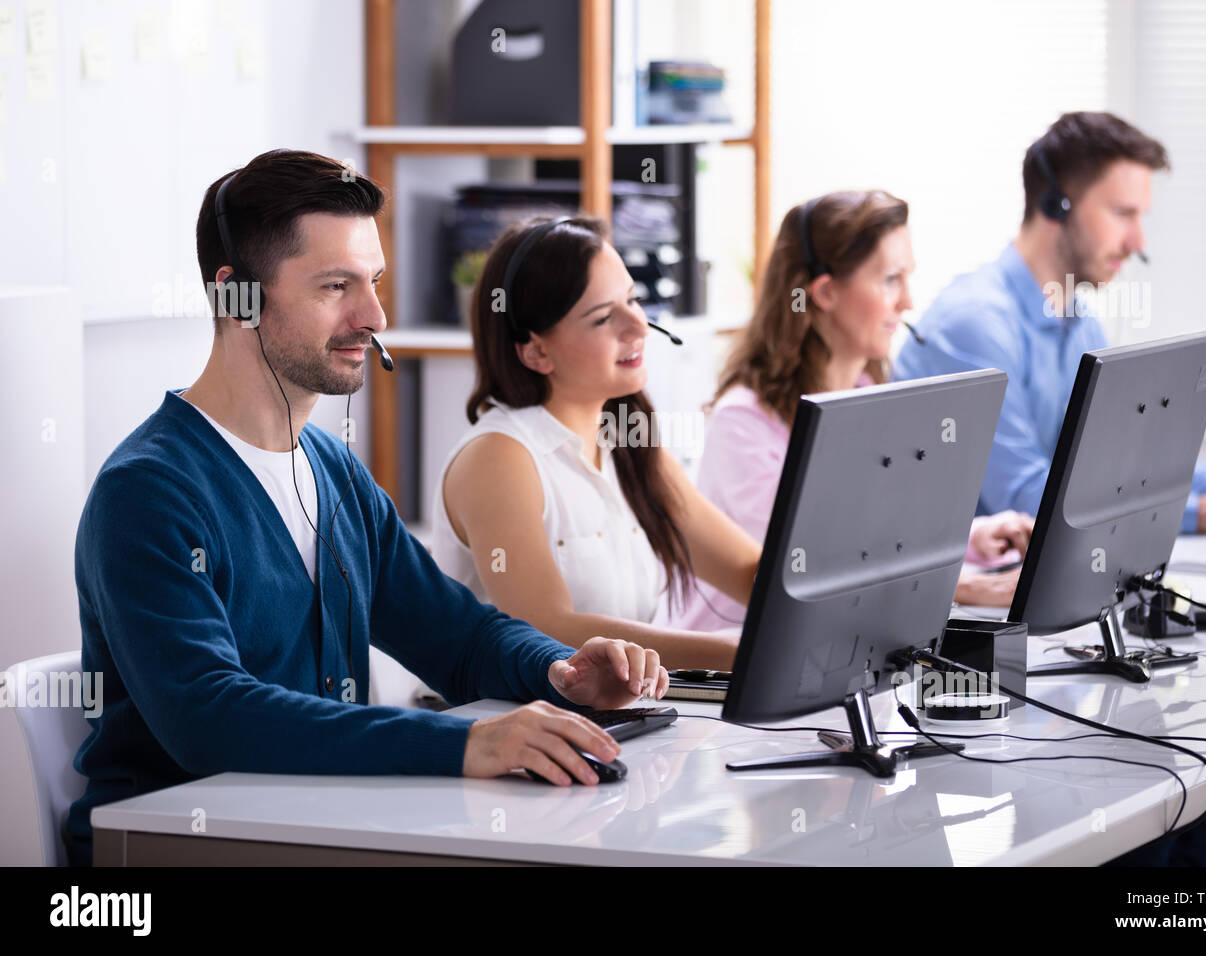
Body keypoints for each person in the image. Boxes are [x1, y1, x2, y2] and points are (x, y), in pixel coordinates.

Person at [65, 151, 668, 867]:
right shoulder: (149, 491)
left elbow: (458, 637)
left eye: (373, 282)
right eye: (335, 286)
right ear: (236, 298)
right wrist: (466, 744)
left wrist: (559, 672)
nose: (374, 316)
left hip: (321, 833)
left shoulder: (333, 471)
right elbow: (209, 716)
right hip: (177, 851)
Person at [668, 191, 1035, 632]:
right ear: (824, 292)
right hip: (729, 665)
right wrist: (963, 586)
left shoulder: (867, 394)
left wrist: (974, 539)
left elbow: (884, 538)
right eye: (891, 280)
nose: (907, 303)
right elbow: (808, 568)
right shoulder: (742, 423)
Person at [430, 216, 763, 672]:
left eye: (633, 300)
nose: (638, 327)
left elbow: (749, 573)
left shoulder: (628, 440)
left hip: (625, 717)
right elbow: (545, 629)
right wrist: (729, 654)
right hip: (513, 723)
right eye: (604, 317)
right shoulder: (499, 457)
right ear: (536, 352)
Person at [893, 111, 1206, 534]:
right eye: (1122, 214)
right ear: (1056, 206)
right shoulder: (976, 325)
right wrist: (1199, 514)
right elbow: (1024, 495)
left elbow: (1121, 459)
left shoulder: (1080, 324)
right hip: (971, 587)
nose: (1137, 243)